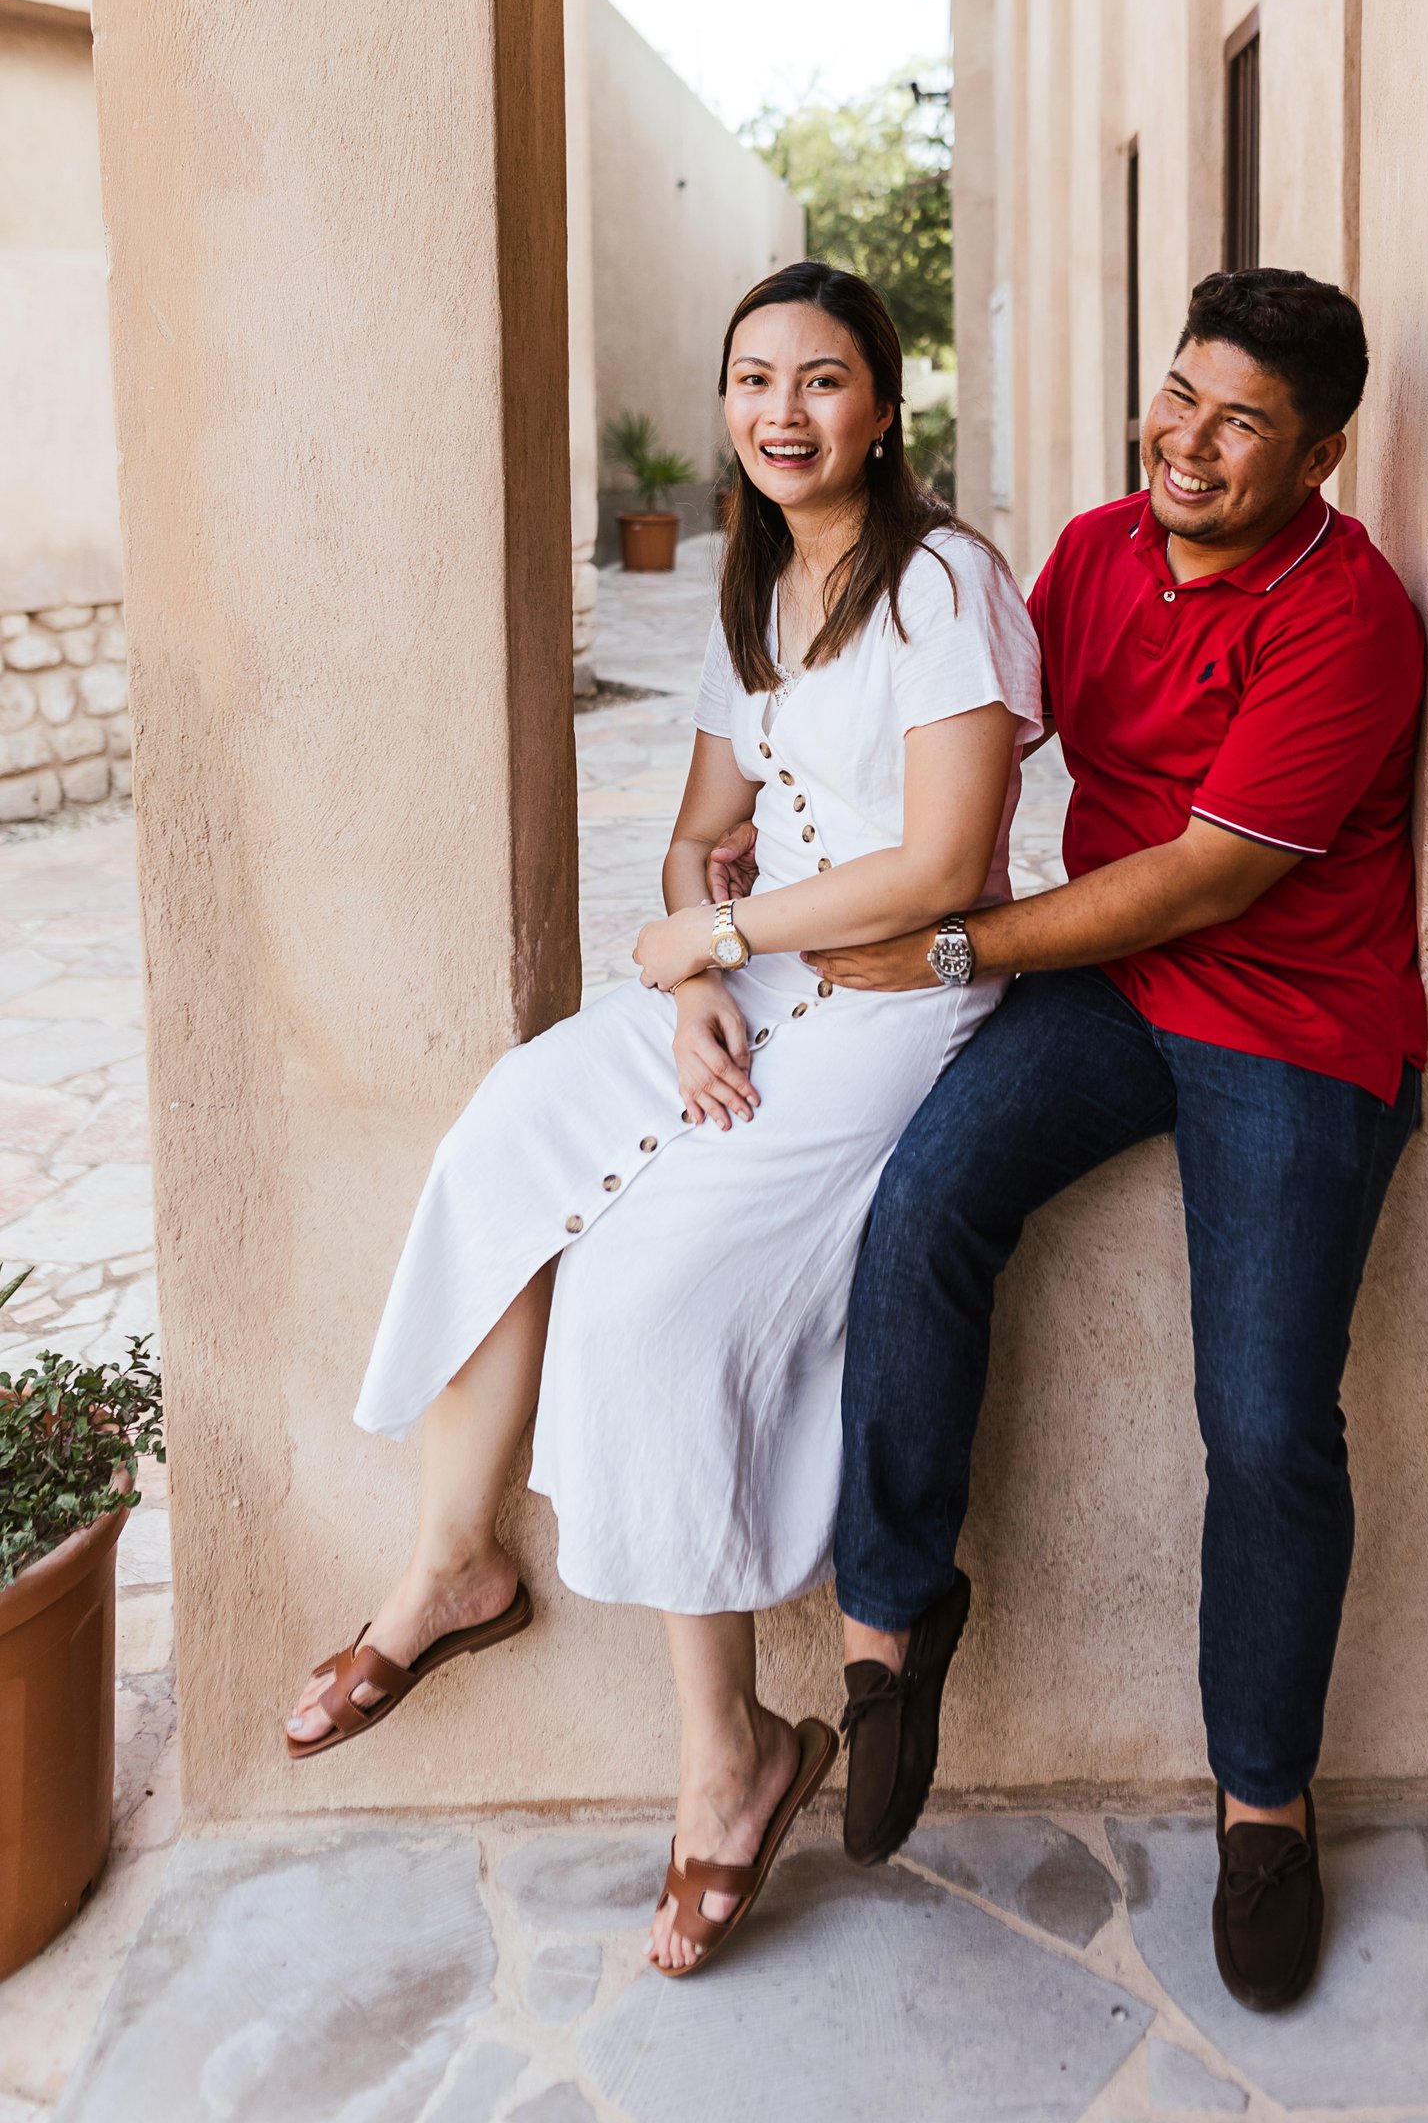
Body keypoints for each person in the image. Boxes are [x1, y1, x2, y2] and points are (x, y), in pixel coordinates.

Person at [284, 261, 1042, 1981]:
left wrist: (711, 936)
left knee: (645, 1293)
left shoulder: (945, 584)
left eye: (823, 379)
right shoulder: (753, 580)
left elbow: (940, 864)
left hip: (889, 1007)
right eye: (753, 378)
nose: (784, 411)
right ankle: (452, 1567)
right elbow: (699, 833)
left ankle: (736, 1756)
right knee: (507, 1132)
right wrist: (696, 961)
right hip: (745, 975)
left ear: (885, 408)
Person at [810, 266, 1427, 2014]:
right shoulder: (1090, 554)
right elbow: (960, 740)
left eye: (1243, 423)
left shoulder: (1351, 617)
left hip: (1292, 1019)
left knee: (1267, 1419)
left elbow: (1205, 880)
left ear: (1320, 455)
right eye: (1180, 395)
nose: (1190, 442)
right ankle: (891, 1629)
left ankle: (1264, 1805)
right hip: (1113, 993)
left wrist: (957, 948)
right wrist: (777, 860)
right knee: (922, 1206)